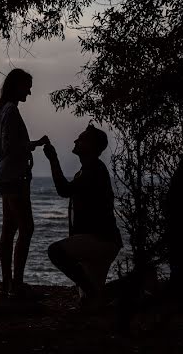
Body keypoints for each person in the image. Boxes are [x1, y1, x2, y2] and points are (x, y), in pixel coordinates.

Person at [43, 124, 123, 309]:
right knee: (89, 304)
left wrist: (53, 159)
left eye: (81, 139)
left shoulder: (94, 169)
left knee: (55, 251)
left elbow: (64, 190)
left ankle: (99, 294)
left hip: (100, 241)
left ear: (92, 146)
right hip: (103, 241)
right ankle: (137, 283)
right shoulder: (89, 169)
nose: (75, 141)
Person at [0, 68, 48, 300]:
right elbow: (12, 147)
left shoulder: (0, 112)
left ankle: (7, 284)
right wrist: (34, 144)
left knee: (9, 230)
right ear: (17, 86)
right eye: (27, 87)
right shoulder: (12, 111)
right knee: (26, 228)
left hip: (5, 176)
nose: (30, 92)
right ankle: (17, 284)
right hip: (15, 178)